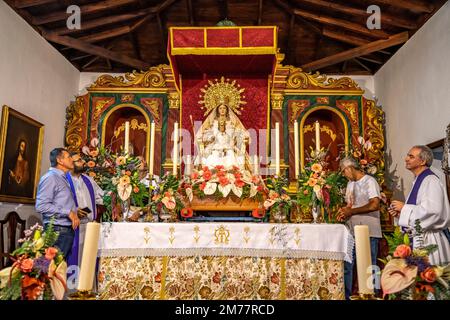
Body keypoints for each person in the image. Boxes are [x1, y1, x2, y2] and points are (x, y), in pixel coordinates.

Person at [389, 145, 450, 265]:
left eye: (411, 156)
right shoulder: (419, 181)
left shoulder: (431, 181)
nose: (406, 159)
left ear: (423, 161)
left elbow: (434, 212)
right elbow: (419, 211)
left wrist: (404, 208)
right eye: (407, 155)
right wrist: (401, 214)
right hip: (420, 238)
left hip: (430, 241)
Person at [337, 156, 382, 299]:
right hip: (351, 230)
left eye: (344, 171)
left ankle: (372, 295)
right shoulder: (350, 184)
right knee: (348, 265)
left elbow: (375, 204)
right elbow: (351, 206)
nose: (344, 175)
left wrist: (351, 211)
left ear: (350, 168)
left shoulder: (370, 181)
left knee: (369, 266)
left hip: (368, 230)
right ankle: (346, 296)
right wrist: (344, 212)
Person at [35, 148, 80, 258]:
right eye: (68, 157)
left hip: (64, 231)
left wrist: (74, 211)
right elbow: (41, 206)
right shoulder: (51, 177)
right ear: (60, 160)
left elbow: (60, 202)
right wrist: (68, 212)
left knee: (59, 270)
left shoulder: (62, 178)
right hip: (57, 231)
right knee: (52, 269)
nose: (72, 160)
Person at [66, 152, 104, 267]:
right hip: (73, 227)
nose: (83, 162)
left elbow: (101, 197)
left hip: (89, 227)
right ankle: (72, 285)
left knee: (87, 263)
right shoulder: (64, 180)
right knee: (73, 262)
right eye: (79, 160)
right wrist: (73, 211)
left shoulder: (88, 180)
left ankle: (86, 285)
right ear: (71, 164)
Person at [195, 103, 249, 169]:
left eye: (224, 108)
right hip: (214, 146)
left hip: (229, 147)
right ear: (217, 110)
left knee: (232, 159)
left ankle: (232, 174)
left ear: (227, 110)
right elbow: (203, 134)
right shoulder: (212, 122)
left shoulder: (232, 122)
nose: (222, 110)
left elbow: (241, 132)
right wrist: (210, 137)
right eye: (220, 108)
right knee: (210, 160)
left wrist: (238, 138)